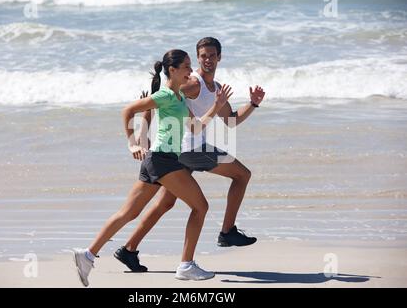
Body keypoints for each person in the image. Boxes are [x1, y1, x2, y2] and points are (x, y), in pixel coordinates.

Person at [72, 49, 233, 286]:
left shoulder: (179, 97)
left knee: (128, 213)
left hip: (157, 160)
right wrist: (132, 144)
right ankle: (186, 265)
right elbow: (127, 110)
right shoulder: (166, 95)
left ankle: (86, 255)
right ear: (173, 70)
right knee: (201, 206)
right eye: (187, 66)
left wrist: (217, 106)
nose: (191, 70)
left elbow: (196, 128)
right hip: (163, 160)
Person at [114, 37, 265, 272]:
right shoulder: (193, 83)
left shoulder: (214, 87)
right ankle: (227, 231)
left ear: (219, 58)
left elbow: (231, 120)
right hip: (192, 148)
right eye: (203, 56)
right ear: (197, 58)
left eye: (212, 55)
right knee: (242, 175)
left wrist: (253, 104)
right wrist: (145, 119)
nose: (208, 60)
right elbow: (168, 94)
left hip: (178, 153)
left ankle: (129, 249)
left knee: (165, 203)